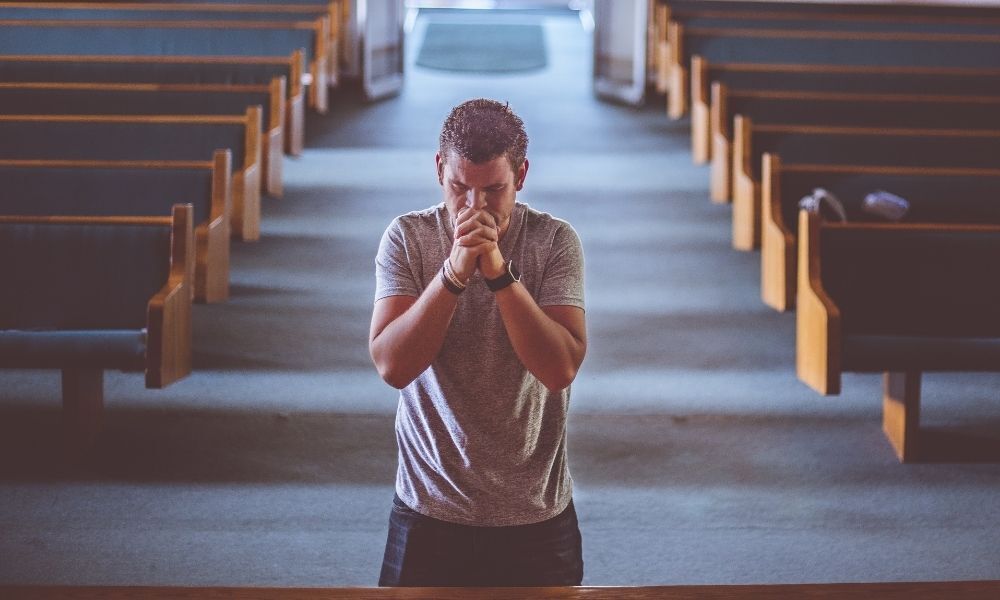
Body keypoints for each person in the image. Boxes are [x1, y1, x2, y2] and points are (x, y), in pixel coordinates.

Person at [368, 98, 587, 587]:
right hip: (428, 506)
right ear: (439, 169)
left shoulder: (554, 241)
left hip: (535, 512)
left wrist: (498, 273)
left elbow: (559, 369)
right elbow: (393, 366)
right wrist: (452, 273)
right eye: (459, 188)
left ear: (522, 175)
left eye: (494, 190)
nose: (474, 208)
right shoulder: (407, 237)